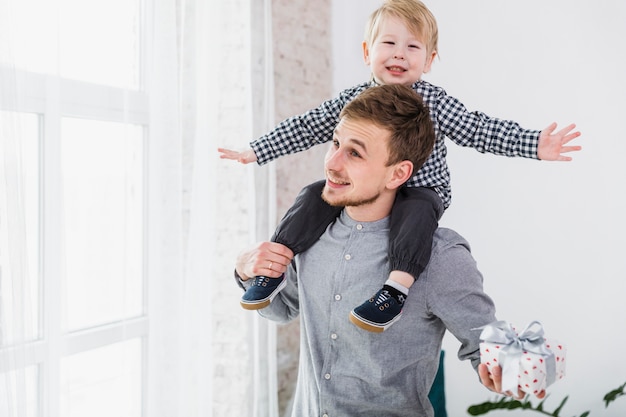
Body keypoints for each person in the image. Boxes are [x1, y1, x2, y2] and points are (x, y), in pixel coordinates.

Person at [220, 0, 582, 332]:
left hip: (422, 192)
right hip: (365, 194)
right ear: (367, 52)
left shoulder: (435, 103)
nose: (399, 54)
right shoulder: (353, 100)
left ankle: (394, 289)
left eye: (412, 47)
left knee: (418, 208)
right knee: (313, 193)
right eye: (388, 44)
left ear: (428, 61)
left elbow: (479, 129)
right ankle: (275, 266)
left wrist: (534, 143)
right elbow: (308, 125)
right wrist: (256, 149)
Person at [233, 84, 544, 416]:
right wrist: (244, 271)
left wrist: (504, 371)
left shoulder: (440, 256)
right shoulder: (309, 232)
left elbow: (484, 348)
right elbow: (280, 310)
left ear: (399, 173)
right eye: (335, 143)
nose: (332, 164)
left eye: (355, 153)